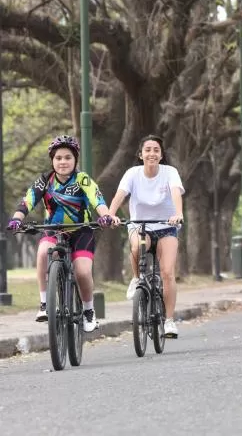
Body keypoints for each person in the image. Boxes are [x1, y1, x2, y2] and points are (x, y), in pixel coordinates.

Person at [6, 135, 117, 330]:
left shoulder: (82, 179)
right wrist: (17, 219)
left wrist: (105, 215)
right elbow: (28, 201)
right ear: (52, 160)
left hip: (81, 231)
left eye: (67, 157)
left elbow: (97, 200)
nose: (63, 162)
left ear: (75, 160)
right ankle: (44, 304)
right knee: (42, 253)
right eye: (58, 158)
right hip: (53, 230)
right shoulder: (45, 180)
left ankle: (88, 312)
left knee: (82, 271)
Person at [108, 134, 184, 338]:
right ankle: (135, 279)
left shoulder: (170, 172)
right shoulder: (132, 174)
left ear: (161, 155)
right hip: (140, 226)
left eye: (156, 150)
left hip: (166, 226)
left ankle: (169, 321)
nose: (152, 153)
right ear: (140, 154)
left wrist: (178, 214)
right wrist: (110, 214)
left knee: (167, 272)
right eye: (147, 150)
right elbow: (120, 194)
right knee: (137, 247)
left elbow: (176, 192)